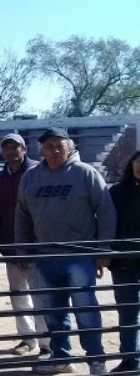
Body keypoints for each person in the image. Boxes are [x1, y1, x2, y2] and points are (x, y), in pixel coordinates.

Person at [15, 127, 115, 375]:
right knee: (53, 312)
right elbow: (22, 216)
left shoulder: (85, 173)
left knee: (85, 309)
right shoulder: (30, 177)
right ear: (41, 149)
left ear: (69, 147)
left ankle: (96, 359)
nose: (54, 149)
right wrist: (22, 250)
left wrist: (103, 250)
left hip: (79, 255)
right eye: (48, 145)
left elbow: (105, 211)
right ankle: (61, 357)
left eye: (59, 145)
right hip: (45, 256)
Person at [0, 133, 50, 358]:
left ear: (24, 149)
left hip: (36, 246)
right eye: (6, 148)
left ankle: (47, 342)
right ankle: (28, 338)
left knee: (40, 296)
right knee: (18, 294)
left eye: (14, 147)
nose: (10, 151)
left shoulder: (38, 172)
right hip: (10, 245)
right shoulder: (0, 177)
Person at [108, 150, 140, 373]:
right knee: (127, 313)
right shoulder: (117, 192)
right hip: (123, 263)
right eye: (139, 162)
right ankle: (130, 359)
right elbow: (108, 226)